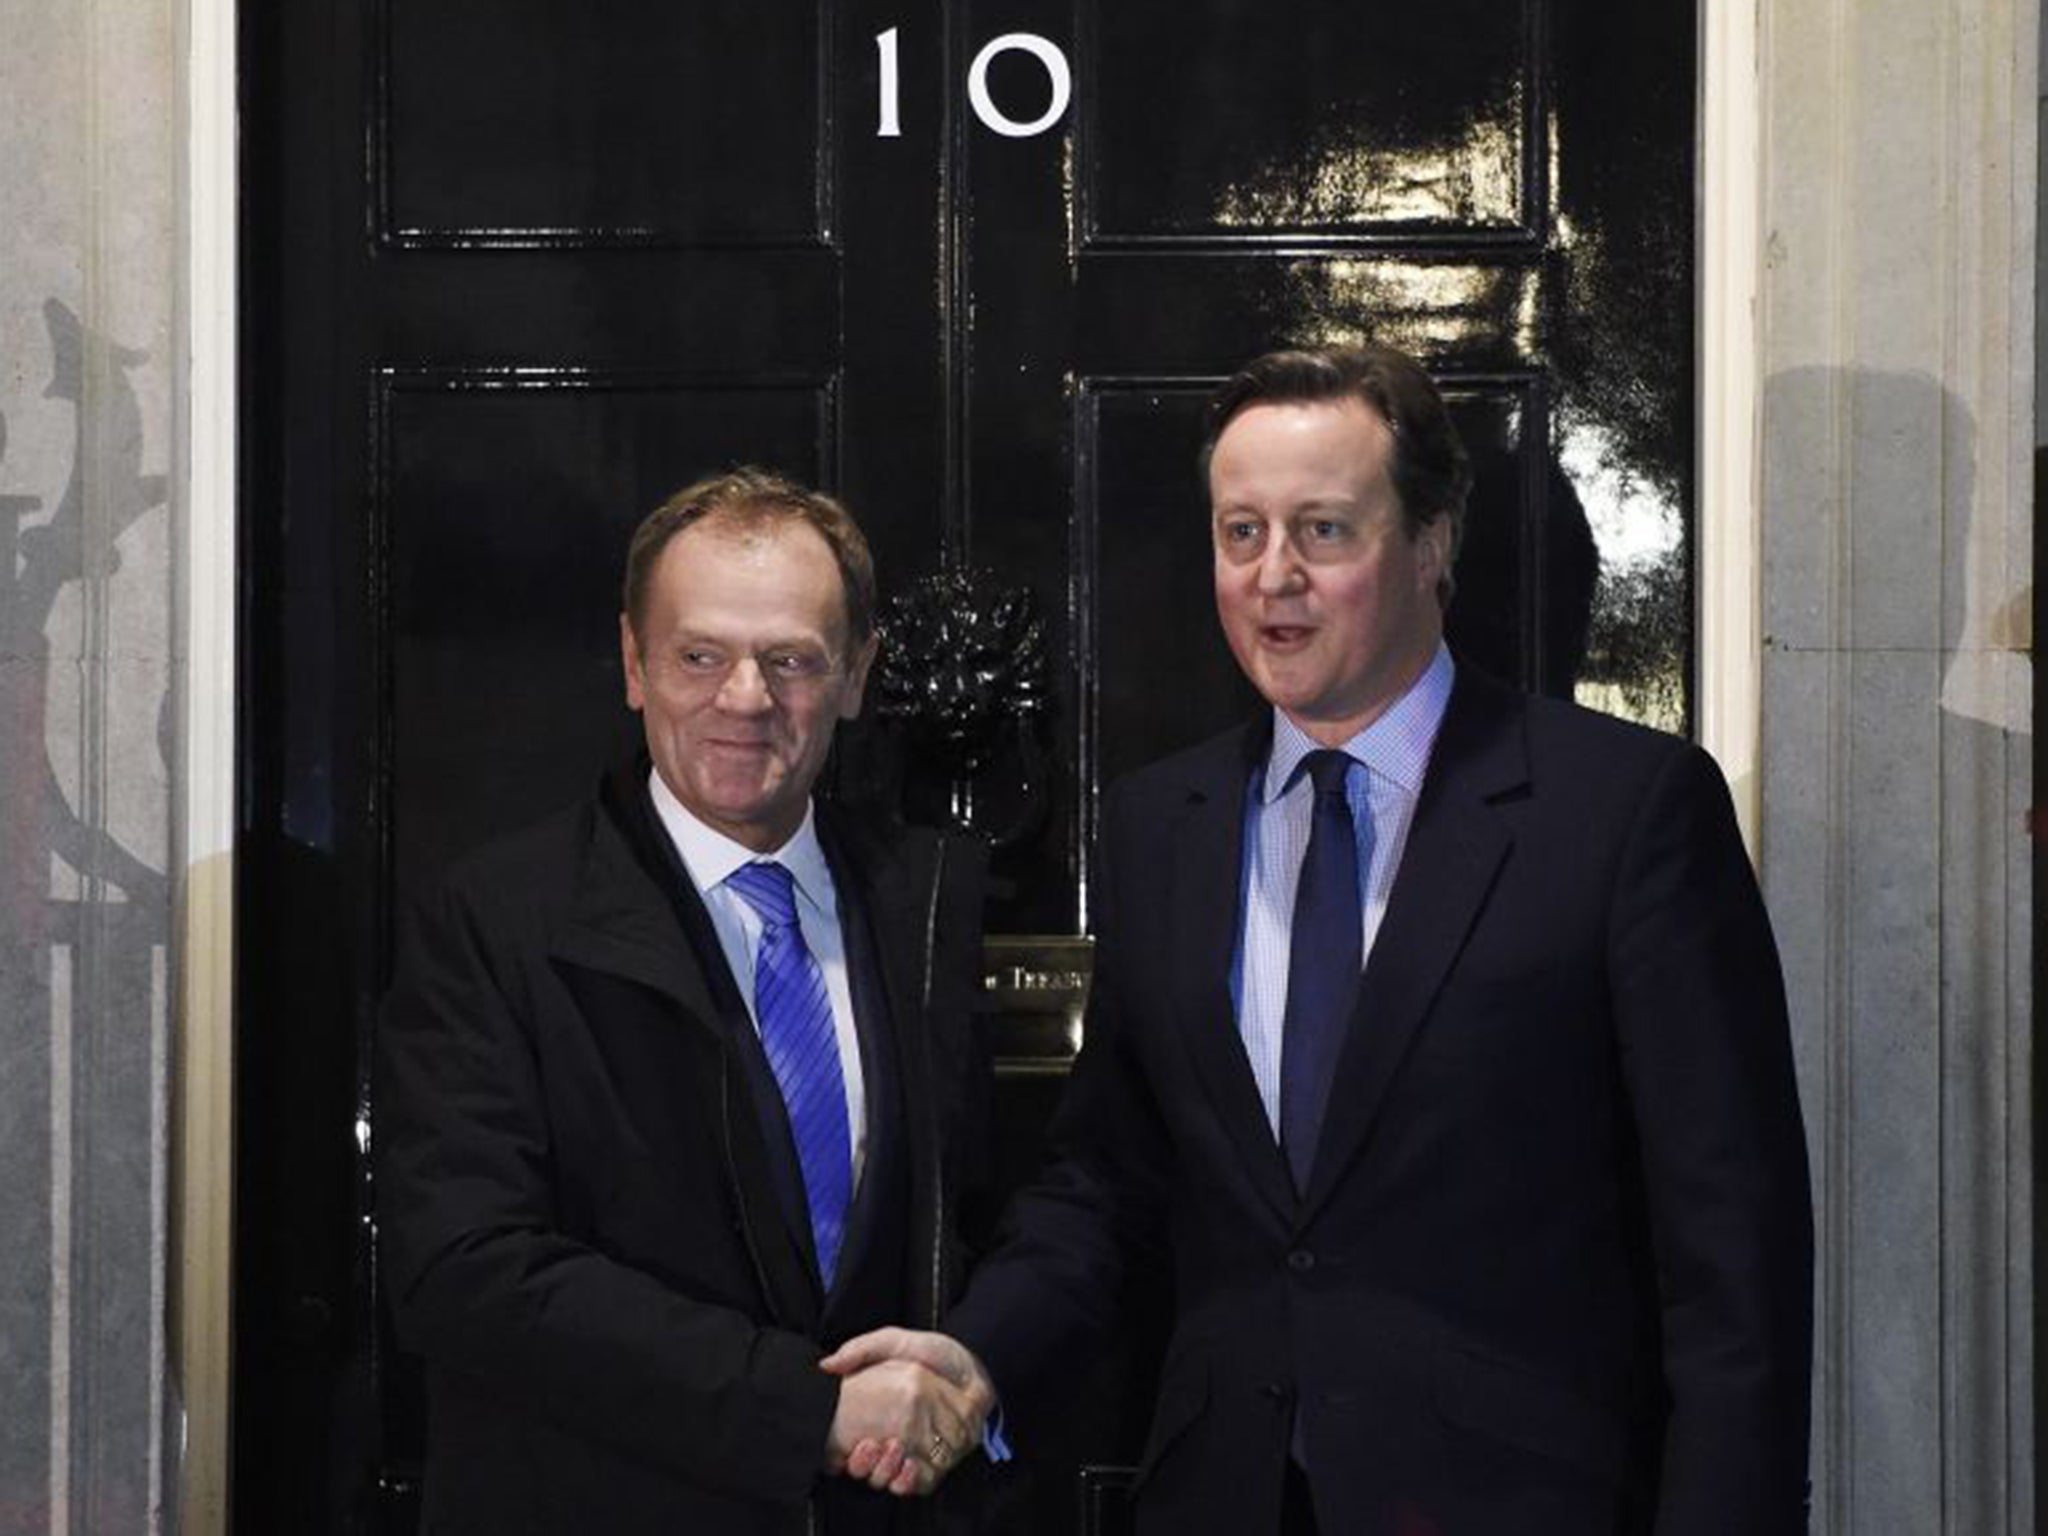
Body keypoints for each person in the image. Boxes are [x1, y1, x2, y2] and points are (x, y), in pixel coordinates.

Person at [826, 345, 1814, 1534]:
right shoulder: (1158, 827)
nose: (1270, 577)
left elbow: (1731, 1261)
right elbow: (1106, 1180)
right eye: (1239, 532)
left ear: (1431, 543)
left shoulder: (1622, 812)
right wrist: (973, 1357)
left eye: (1323, 531)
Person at [376, 468, 995, 1534]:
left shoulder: (928, 906)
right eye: (699, 655)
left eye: (791, 659)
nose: (745, 698)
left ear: (856, 674)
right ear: (633, 664)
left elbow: (987, 1213)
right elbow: (460, 1268)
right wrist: (809, 1411)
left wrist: (979, 1366)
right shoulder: (497, 919)